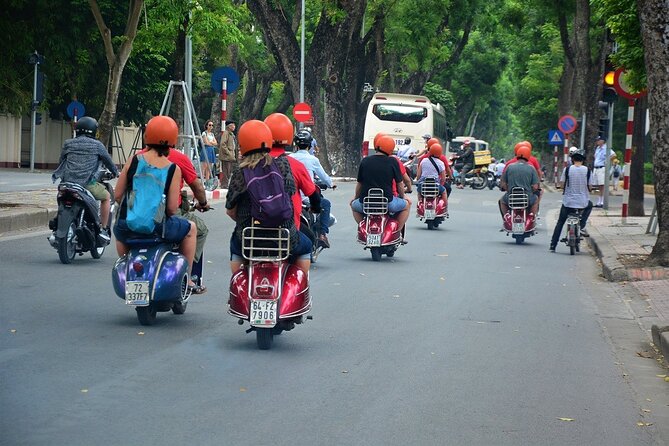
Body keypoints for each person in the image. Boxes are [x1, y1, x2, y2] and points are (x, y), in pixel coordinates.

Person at [113, 115, 197, 287]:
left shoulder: (134, 160)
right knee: (192, 229)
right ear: (172, 140)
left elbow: (117, 195)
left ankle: (127, 264)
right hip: (158, 229)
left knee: (118, 232)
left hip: (126, 228)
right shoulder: (173, 168)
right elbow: (172, 209)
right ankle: (187, 278)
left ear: (147, 136)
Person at [225, 120, 311, 275]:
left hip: (249, 239)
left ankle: (236, 285)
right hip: (284, 237)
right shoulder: (283, 164)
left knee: (235, 247)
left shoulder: (240, 171)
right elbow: (290, 197)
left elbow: (230, 211)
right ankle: (301, 283)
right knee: (306, 246)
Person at [138, 144, 211, 294]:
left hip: (138, 215)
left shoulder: (137, 158)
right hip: (166, 217)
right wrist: (203, 203)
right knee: (199, 229)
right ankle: (187, 276)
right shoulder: (176, 160)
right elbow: (174, 206)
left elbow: (119, 195)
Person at [52, 116, 120, 241]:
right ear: (94, 131)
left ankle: (58, 219)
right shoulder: (97, 145)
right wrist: (116, 173)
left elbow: (61, 161)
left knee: (61, 198)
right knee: (107, 197)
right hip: (87, 184)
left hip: (67, 184)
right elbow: (109, 162)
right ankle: (103, 229)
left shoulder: (68, 143)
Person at [351, 135, 411, 235]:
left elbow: (359, 184)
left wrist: (356, 198)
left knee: (353, 206)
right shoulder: (392, 161)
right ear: (391, 149)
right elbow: (400, 184)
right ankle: (397, 232)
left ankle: (364, 227)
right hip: (388, 203)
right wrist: (403, 197)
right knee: (406, 206)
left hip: (366, 202)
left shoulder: (365, 161)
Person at [290, 129, 335, 248]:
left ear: (295, 144)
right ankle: (322, 234)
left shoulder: (289, 158)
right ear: (310, 145)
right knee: (325, 204)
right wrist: (331, 184)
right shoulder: (313, 160)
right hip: (307, 197)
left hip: (291, 197)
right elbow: (323, 176)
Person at [549, 147, 593, 252]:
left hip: (568, 202)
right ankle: (581, 225)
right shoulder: (587, 170)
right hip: (582, 202)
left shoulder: (567, 169)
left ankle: (553, 245)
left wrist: (562, 187)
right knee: (590, 205)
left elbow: (562, 184)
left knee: (560, 222)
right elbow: (590, 187)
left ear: (572, 159)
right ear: (583, 160)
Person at [499, 145, 539, 218]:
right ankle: (531, 216)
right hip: (527, 198)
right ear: (528, 156)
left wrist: (508, 190)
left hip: (511, 197)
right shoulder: (531, 168)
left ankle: (507, 217)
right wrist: (531, 190)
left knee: (502, 201)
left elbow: (503, 184)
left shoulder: (509, 167)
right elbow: (536, 186)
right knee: (535, 199)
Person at [591, 136, 616, 207]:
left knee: (602, 185)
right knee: (598, 185)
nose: (597, 142)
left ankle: (602, 201)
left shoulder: (606, 148)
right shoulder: (598, 148)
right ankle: (599, 201)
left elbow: (613, 155)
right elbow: (595, 156)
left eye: (599, 140)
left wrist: (606, 160)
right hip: (596, 168)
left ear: (603, 141)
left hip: (602, 168)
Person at [218, 120, 237, 187]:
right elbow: (223, 144)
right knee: (226, 171)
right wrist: (228, 153)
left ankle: (226, 184)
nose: (234, 127)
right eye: (232, 125)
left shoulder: (231, 134)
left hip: (230, 156)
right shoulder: (226, 133)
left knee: (229, 172)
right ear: (229, 126)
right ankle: (224, 185)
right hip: (226, 156)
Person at [199, 120, 217, 188]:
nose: (211, 126)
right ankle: (201, 182)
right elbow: (206, 142)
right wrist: (212, 142)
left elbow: (216, 143)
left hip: (211, 150)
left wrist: (211, 142)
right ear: (206, 126)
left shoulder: (212, 134)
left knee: (209, 167)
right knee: (204, 166)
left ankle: (207, 182)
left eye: (212, 125)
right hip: (206, 149)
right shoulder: (204, 133)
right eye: (209, 125)